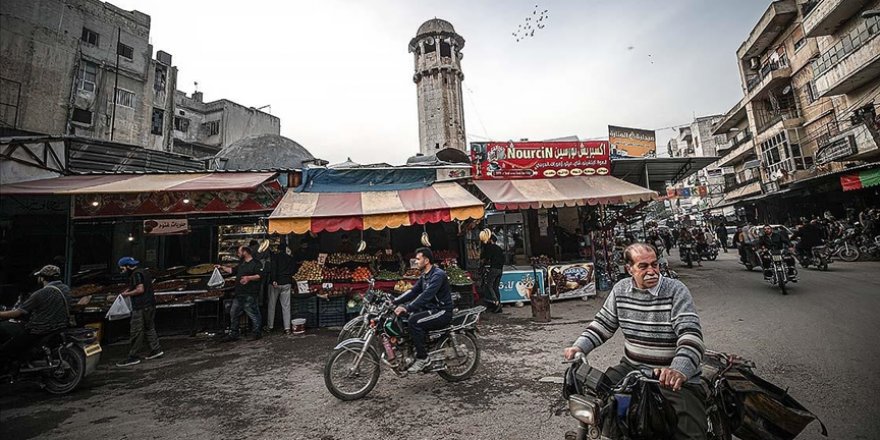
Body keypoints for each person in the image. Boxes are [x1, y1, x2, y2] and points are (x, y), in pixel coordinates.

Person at [563, 243, 706, 439]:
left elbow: (690, 334)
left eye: (654, 265)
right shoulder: (620, 289)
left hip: (669, 374)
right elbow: (603, 324)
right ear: (629, 269)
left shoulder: (675, 290)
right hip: (632, 368)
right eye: (643, 266)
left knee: (691, 432)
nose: (652, 271)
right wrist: (579, 347)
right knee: (604, 408)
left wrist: (679, 369)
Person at [391, 247, 454, 373]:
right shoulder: (425, 275)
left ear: (426, 260)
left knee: (413, 321)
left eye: (418, 259)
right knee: (407, 320)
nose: (416, 262)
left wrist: (407, 308)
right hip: (431, 309)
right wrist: (395, 301)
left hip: (441, 311)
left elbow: (426, 296)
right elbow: (413, 291)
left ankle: (423, 358)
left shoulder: (438, 275)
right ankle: (416, 349)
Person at [0, 265, 71, 359]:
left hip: (39, 330)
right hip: (59, 326)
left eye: (39, 277)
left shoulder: (40, 294)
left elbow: (18, 312)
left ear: (42, 278)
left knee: (7, 349)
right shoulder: (66, 289)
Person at [115, 257, 163, 367]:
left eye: (122, 268)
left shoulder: (135, 274)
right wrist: (127, 290)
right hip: (150, 305)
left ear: (127, 266)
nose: (121, 270)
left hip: (141, 307)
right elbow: (137, 286)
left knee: (136, 331)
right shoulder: (143, 271)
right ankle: (156, 350)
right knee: (149, 328)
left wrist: (126, 295)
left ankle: (133, 356)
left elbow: (140, 289)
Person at [217, 246, 263, 342]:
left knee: (253, 314)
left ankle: (257, 333)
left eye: (239, 252)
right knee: (233, 312)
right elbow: (232, 271)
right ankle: (234, 333)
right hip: (239, 293)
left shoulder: (256, 263)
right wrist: (221, 267)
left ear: (245, 252)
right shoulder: (242, 263)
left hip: (250, 293)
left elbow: (259, 276)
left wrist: (248, 278)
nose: (238, 254)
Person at [266, 243, 296, 334]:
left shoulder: (275, 257)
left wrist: (274, 279)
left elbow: (273, 268)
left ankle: (270, 326)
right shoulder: (289, 258)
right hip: (287, 283)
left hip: (276, 283)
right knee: (286, 306)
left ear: (278, 250)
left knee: (272, 305)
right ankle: (287, 328)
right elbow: (293, 270)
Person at [480, 234, 505, 313]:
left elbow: (486, 257)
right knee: (496, 287)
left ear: (490, 240)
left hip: (494, 269)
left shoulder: (490, 248)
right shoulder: (499, 248)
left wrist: (483, 262)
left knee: (489, 285)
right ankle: (498, 304)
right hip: (500, 270)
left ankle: (496, 301)